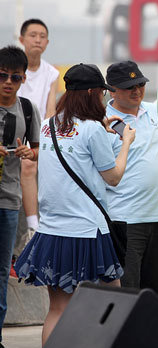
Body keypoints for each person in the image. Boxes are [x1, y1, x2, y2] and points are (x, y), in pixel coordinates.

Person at [14, 63, 135, 345]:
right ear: (92, 92)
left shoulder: (47, 126)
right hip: (88, 231)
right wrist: (126, 142)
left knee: (57, 309)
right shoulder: (92, 129)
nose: (104, 98)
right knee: (111, 303)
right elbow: (113, 177)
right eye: (102, 93)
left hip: (53, 231)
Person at [104, 60, 158, 297]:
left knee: (154, 288)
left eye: (140, 84)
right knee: (127, 288)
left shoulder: (154, 111)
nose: (137, 90)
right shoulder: (102, 122)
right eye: (129, 86)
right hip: (124, 218)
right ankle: (124, 334)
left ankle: (151, 333)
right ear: (111, 89)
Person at [0, 45, 40, 348]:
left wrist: (29, 152)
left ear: (24, 78)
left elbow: (38, 148)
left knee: (2, 271)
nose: (8, 82)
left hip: (9, 200)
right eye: (2, 76)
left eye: (15, 77)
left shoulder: (27, 108)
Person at [17, 18, 59, 239]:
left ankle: (39, 224)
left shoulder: (51, 73)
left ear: (47, 42)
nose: (38, 40)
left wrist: (45, 142)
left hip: (39, 131)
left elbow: (50, 112)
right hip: (16, 130)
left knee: (35, 161)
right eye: (33, 35)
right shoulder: (13, 71)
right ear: (22, 39)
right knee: (27, 165)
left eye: (42, 37)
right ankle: (33, 225)